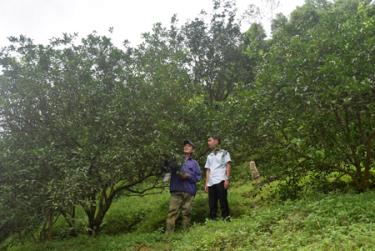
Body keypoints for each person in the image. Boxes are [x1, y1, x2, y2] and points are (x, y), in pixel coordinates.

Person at [165, 140, 201, 232]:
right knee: (172, 212)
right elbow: (167, 168)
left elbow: (198, 177)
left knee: (187, 213)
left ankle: (185, 234)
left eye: (189, 146)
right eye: (185, 145)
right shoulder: (175, 160)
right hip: (176, 190)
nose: (186, 147)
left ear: (192, 150)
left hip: (189, 191)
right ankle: (168, 236)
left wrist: (188, 175)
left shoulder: (194, 163)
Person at [204, 136, 231, 220]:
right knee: (212, 202)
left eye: (210, 140)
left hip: (221, 179)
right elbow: (208, 170)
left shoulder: (224, 153)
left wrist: (227, 179)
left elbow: (228, 165)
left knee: (223, 200)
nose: (208, 142)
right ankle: (213, 219)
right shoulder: (209, 156)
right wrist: (206, 183)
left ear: (216, 141)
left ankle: (226, 218)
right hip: (211, 182)